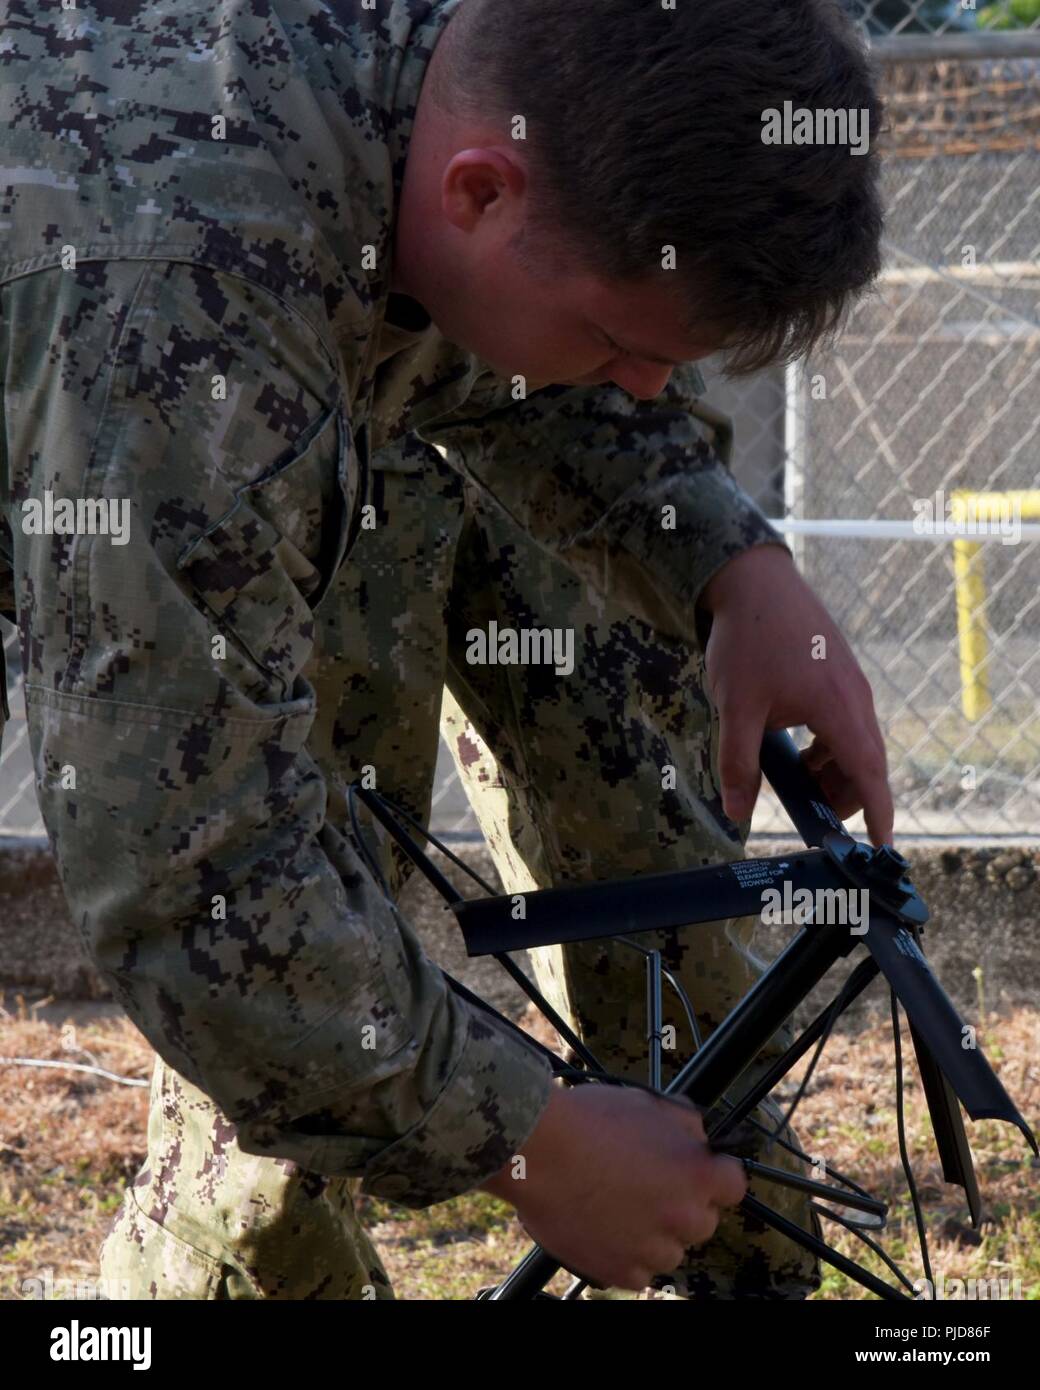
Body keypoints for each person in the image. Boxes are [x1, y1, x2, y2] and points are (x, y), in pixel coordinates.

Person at [0, 0, 891, 1298]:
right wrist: (529, 1141)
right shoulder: (183, 320)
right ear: (479, 191)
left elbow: (517, 356)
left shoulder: (457, 76)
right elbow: (194, 875)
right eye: (620, 346)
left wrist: (734, 563)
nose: (646, 388)